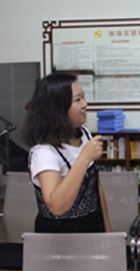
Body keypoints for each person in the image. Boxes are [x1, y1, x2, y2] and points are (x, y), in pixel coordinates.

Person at [22, 73, 111, 233]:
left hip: (92, 229)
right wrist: (84, 158)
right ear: (58, 109)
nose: (85, 105)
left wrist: (108, 232)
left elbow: (96, 187)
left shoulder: (83, 134)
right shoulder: (44, 153)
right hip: (59, 237)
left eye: (83, 98)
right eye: (77, 100)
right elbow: (57, 206)